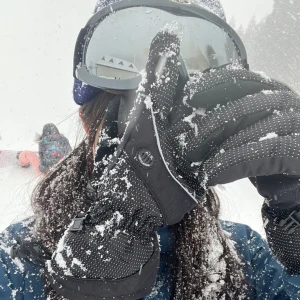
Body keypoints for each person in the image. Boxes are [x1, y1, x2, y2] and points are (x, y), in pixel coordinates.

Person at [1, 0, 300, 299]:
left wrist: (294, 218)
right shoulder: (16, 259)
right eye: (132, 130)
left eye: (174, 133)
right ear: (88, 123)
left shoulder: (246, 256)